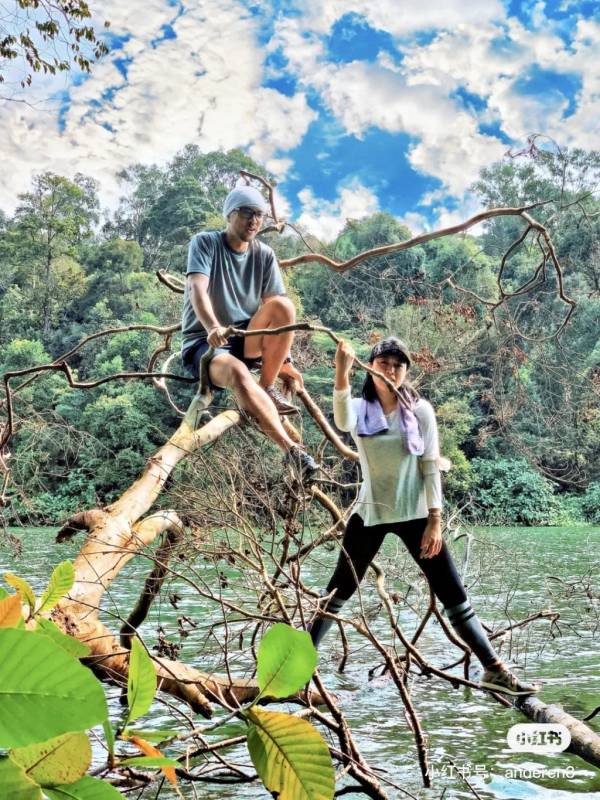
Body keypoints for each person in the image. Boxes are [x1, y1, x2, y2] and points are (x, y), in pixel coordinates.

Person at [309, 336, 538, 696]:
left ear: (405, 372)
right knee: (339, 589)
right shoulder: (358, 408)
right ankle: (301, 665)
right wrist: (341, 368)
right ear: (371, 368)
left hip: (417, 514)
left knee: (454, 594)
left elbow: (430, 466)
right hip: (370, 513)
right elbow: (339, 419)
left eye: (398, 365)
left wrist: (435, 520)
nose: (391, 369)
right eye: (384, 362)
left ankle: (494, 670)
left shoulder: (420, 411)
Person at [181, 185, 317, 480]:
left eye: (259, 215)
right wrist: (212, 327)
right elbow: (197, 289)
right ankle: (292, 451)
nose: (254, 221)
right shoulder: (205, 243)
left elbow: (275, 315)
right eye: (247, 213)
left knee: (284, 306)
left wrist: (285, 362)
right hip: (204, 345)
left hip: (246, 339)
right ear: (230, 214)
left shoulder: (264, 255)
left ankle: (264, 388)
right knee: (239, 373)